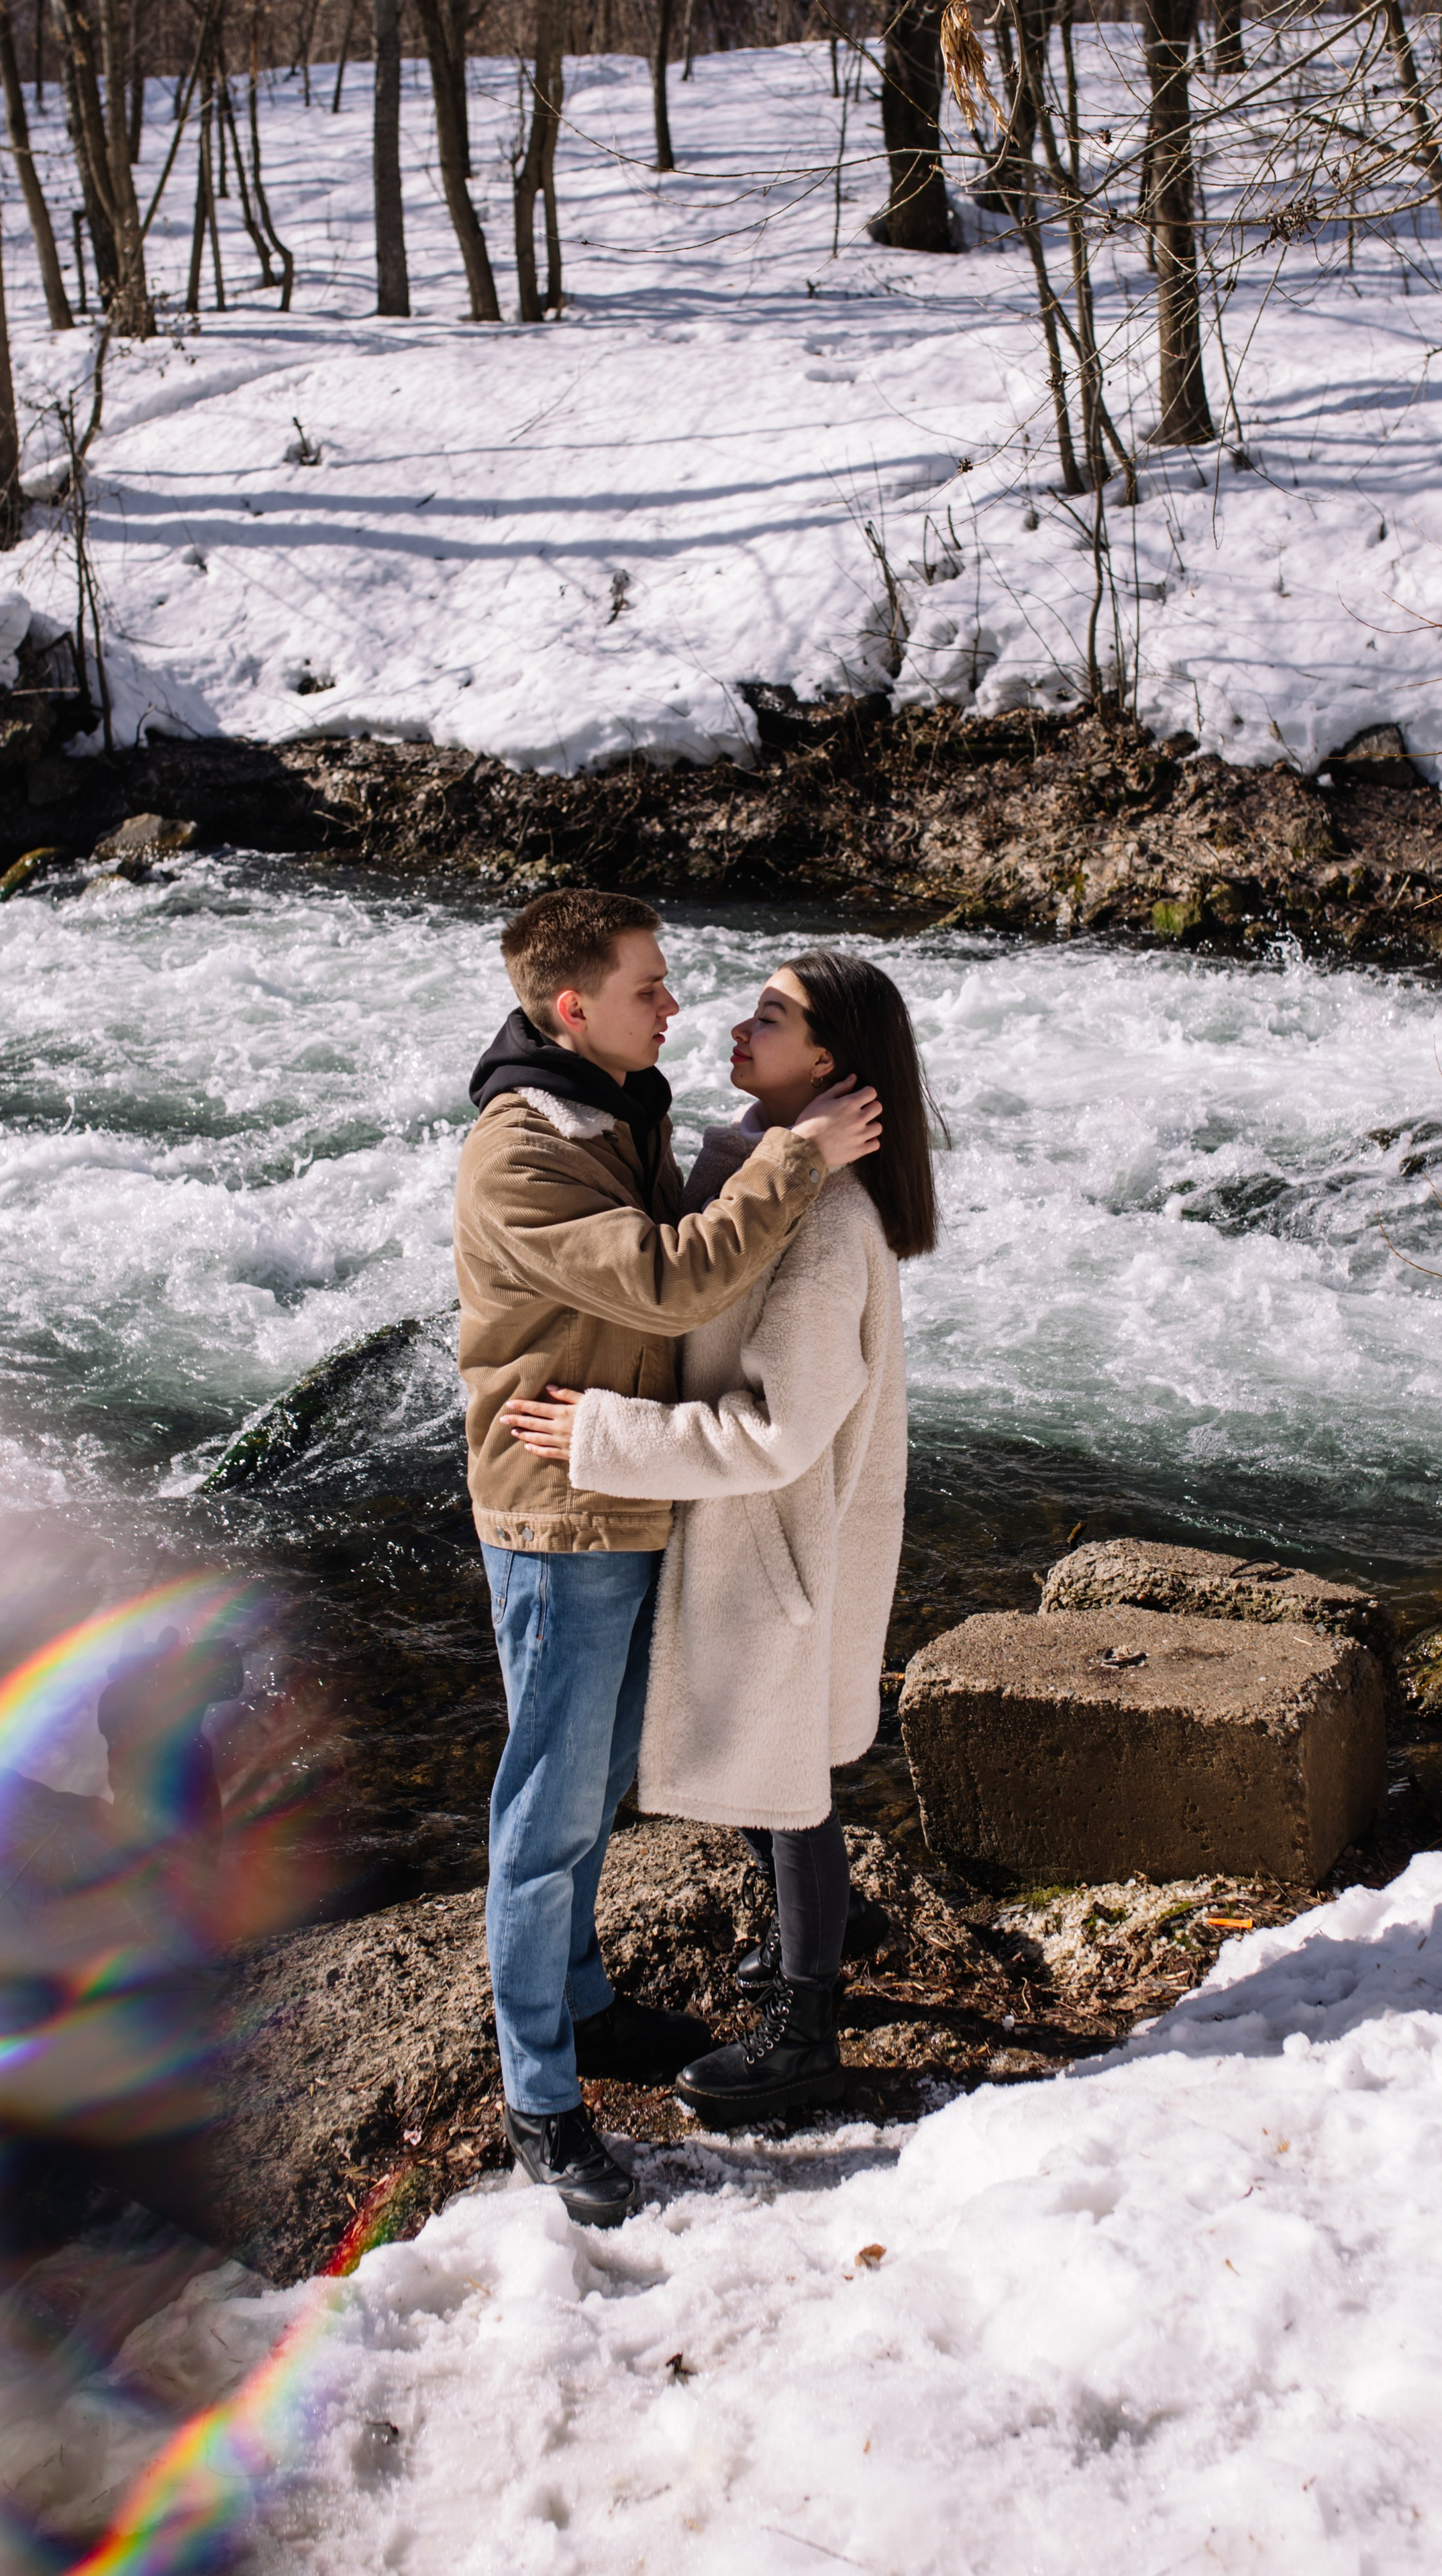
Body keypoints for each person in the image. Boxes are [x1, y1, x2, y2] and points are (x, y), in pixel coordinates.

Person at [455, 894, 884, 2225]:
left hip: (622, 1487)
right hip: (558, 1510)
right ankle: (540, 2098)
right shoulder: (521, 1153)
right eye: (650, 986)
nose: (675, 1006)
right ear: (571, 1007)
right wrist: (791, 1157)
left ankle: (579, 2004)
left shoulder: (617, 1100)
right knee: (546, 1810)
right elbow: (667, 1286)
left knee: (585, 1792)